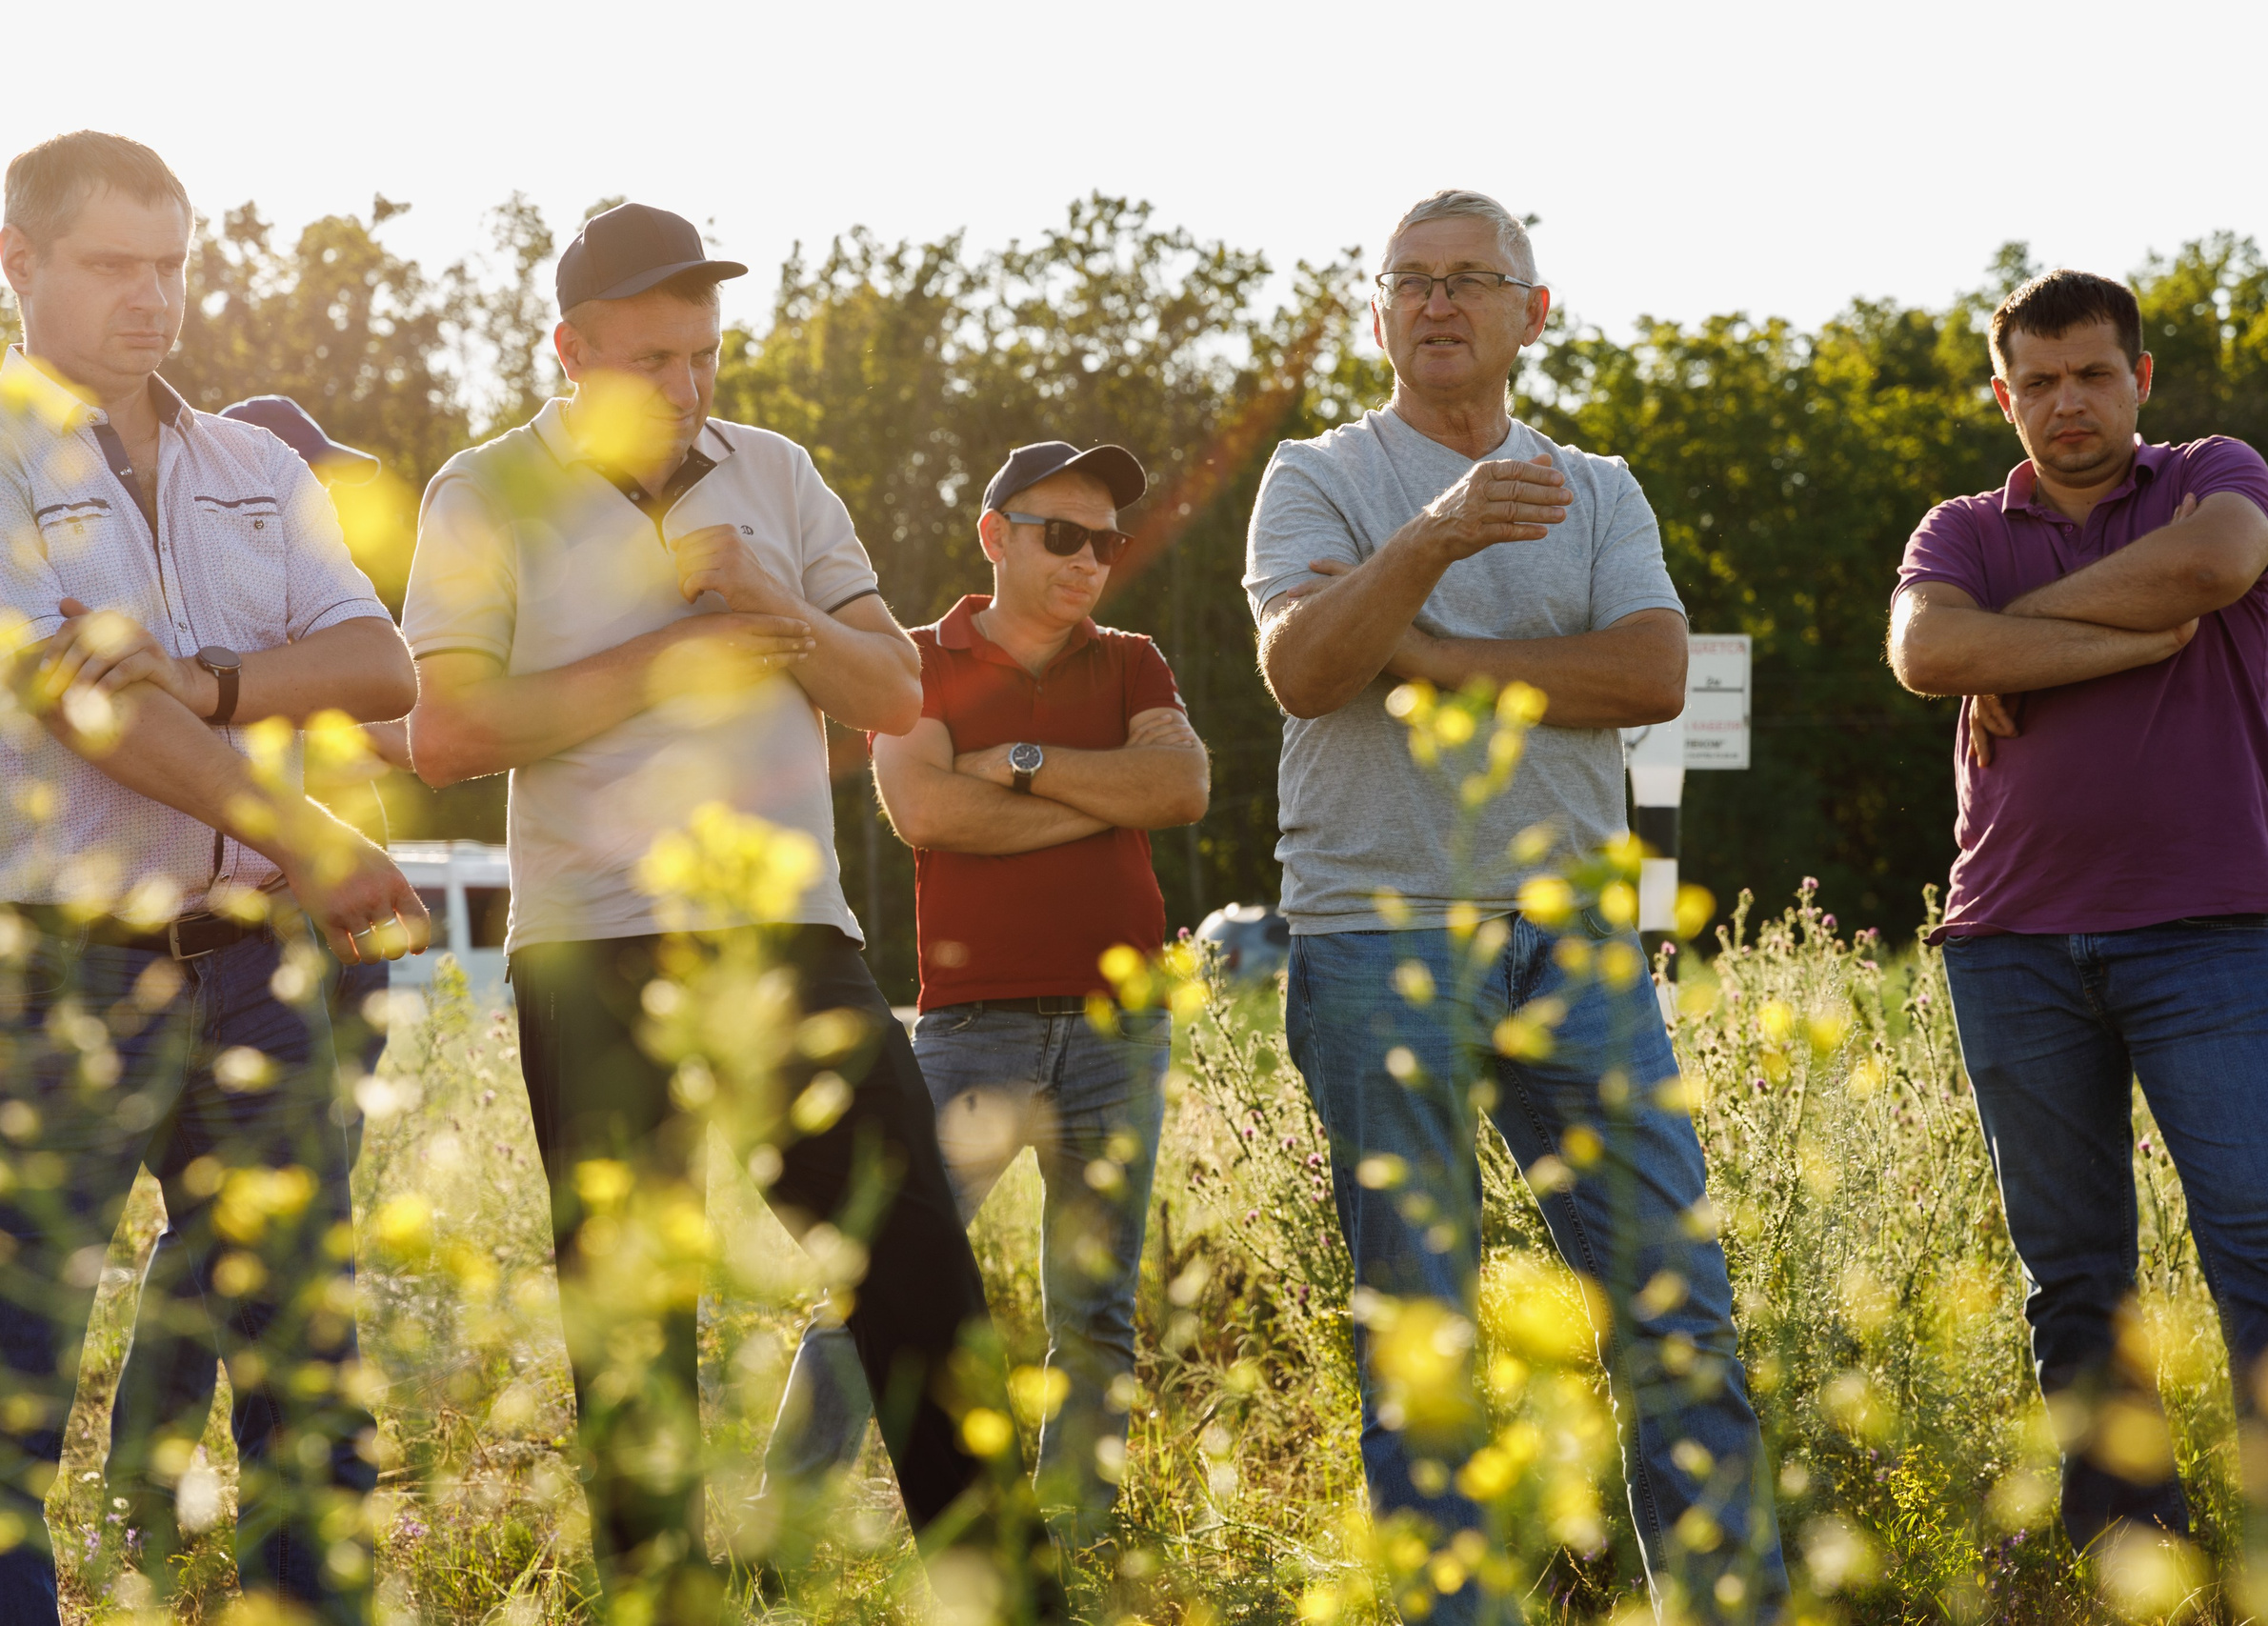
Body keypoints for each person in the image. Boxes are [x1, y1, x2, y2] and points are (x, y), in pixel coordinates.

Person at [401, 202, 1060, 1619]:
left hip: (797, 939)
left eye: (705, 355)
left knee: (920, 1286)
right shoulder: (482, 490)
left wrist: (776, 607)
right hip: (590, 946)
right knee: (633, 1335)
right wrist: (681, 649)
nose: (690, 387)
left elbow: (893, 694)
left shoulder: (779, 471)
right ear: (568, 348)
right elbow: (446, 734)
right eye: (653, 359)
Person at [1244, 190, 1786, 1621]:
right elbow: (1303, 670)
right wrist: (1427, 541)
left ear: (1531, 311)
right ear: (1378, 312)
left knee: (1677, 1309)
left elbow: (1652, 679)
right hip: (1379, 935)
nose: (1438, 301)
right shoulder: (1316, 475)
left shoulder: (1597, 486)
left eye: (1473, 277)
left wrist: (1419, 653)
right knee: (1423, 1343)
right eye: (1410, 280)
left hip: (1578, 940)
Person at [0, 130, 431, 1625]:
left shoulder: (252, 464)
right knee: (19, 1357)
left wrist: (212, 674)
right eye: (114, 265)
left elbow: (380, 656)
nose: (152, 299)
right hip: (60, 962)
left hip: (257, 967)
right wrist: (321, 836)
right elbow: (87, 713)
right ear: (22, 263)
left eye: (171, 265)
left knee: (305, 1364)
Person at [1886, 269, 2268, 1576]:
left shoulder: (2216, 472)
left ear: (2138, 379)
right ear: (2005, 394)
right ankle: (2124, 1554)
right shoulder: (1961, 529)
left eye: (2092, 373)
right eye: (2037, 380)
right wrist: (2114, 628)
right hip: (2011, 944)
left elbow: (2213, 564)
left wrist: (2018, 635)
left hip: (2202, 931)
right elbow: (1929, 654)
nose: (2067, 400)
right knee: (2076, 1274)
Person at [761, 440, 1208, 1546]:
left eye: (1105, 542)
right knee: (884, 1279)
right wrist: (1107, 797)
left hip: (1121, 1026)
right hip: (971, 1029)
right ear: (995, 535)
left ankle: (1073, 1549)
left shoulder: (1135, 659)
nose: (1089, 560)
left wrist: (1009, 757)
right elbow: (928, 813)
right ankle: (778, 1539)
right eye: (1063, 535)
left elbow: (1183, 785)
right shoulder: (910, 661)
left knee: (1097, 1314)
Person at [219, 395, 405, 1075]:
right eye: (307, 477)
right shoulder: (233, 604)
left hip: (353, 886)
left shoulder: (324, 588)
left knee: (343, 1108)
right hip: (283, 895)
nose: (322, 495)